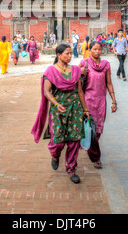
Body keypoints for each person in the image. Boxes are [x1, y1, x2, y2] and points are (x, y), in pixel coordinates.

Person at [31, 43, 90, 184]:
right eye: (67, 54)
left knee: (74, 141)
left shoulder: (75, 70)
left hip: (75, 109)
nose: (70, 56)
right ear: (59, 55)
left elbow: (80, 91)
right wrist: (56, 104)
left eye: (71, 53)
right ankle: (55, 155)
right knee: (58, 141)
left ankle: (71, 169)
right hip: (59, 110)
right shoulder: (51, 71)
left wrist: (85, 109)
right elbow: (47, 91)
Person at [79, 41, 117, 169]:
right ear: (89, 50)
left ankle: (88, 145)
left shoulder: (106, 65)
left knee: (98, 130)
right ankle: (95, 157)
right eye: (94, 49)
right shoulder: (84, 63)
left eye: (99, 49)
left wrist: (114, 100)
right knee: (90, 129)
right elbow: (75, 79)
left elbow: (109, 83)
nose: (97, 52)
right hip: (88, 101)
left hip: (101, 102)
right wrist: (80, 72)